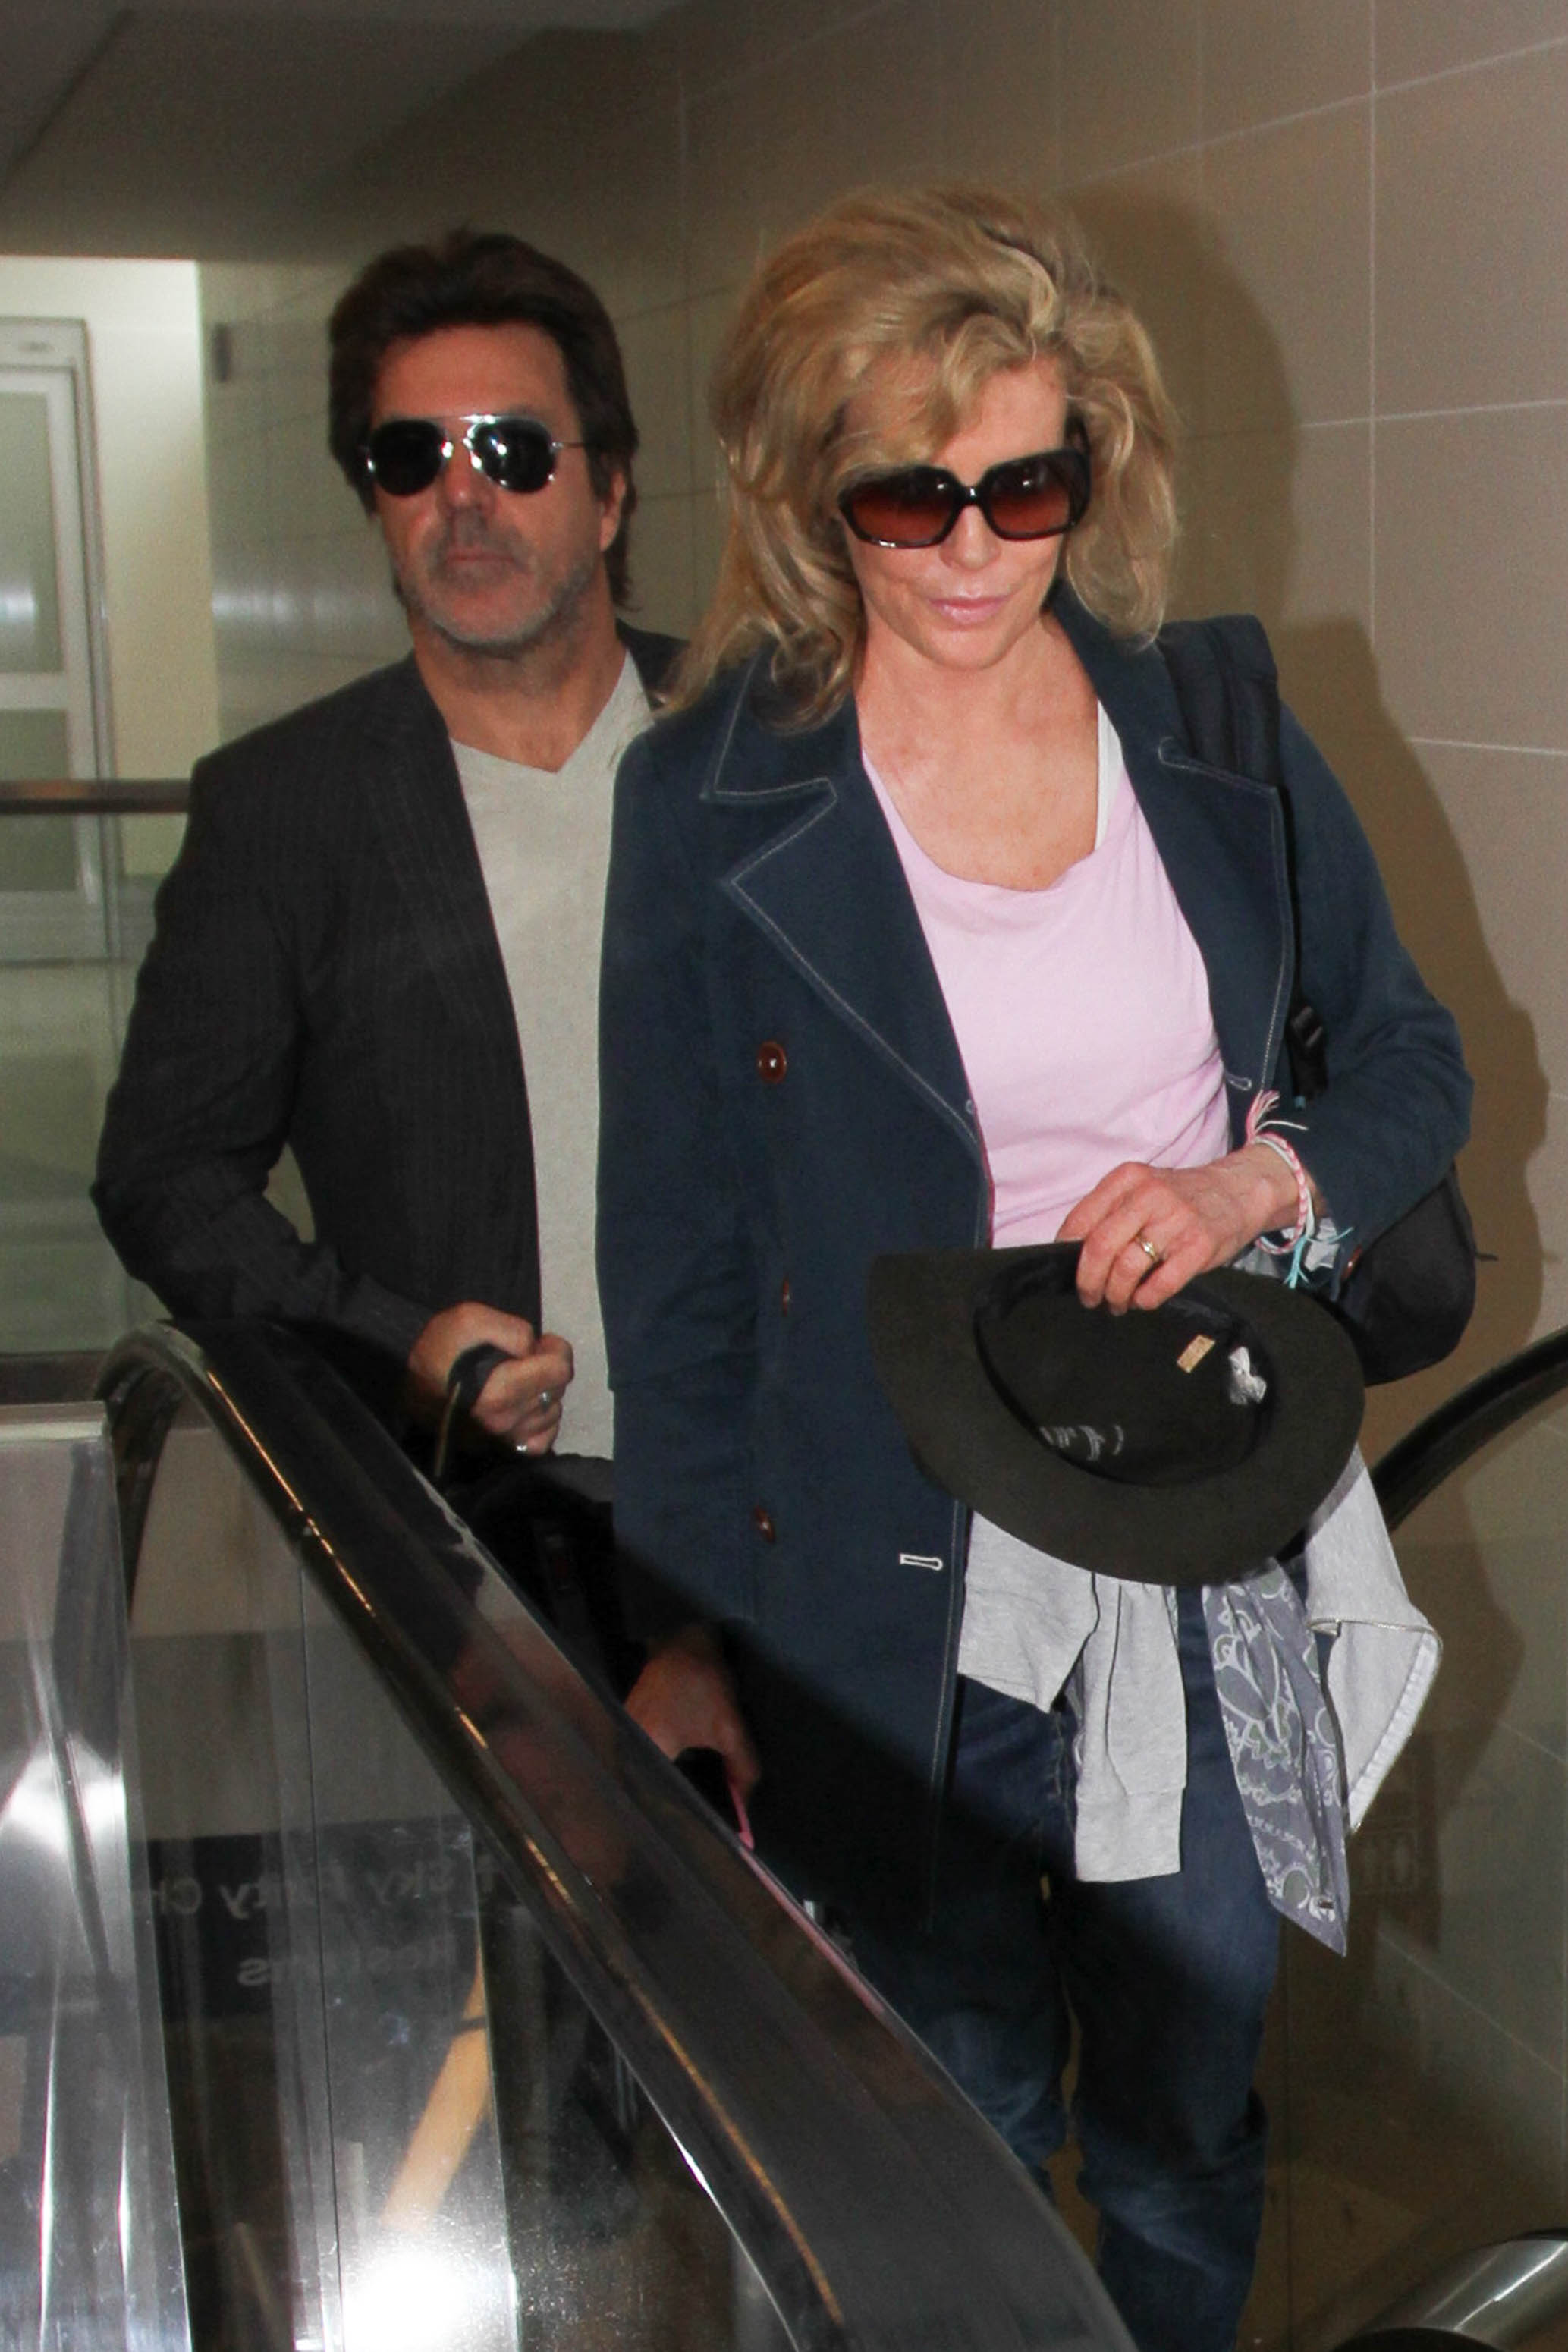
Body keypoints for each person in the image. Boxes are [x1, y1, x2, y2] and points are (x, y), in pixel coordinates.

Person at [595, 187, 1471, 2352]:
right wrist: (681, 1630)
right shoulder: (712, 799)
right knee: (949, 2104)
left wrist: (1248, 1185)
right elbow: (681, 1261)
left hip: (1202, 1527)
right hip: (880, 1576)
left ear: (1094, 466)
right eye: (913, 494)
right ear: (812, 494)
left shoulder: (1217, 726)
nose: (978, 545)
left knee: (1186, 2105)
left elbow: (1415, 1063)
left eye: (1028, 482)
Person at [95, 229, 679, 1474]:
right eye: (412, 456)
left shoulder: (765, 742)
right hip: (484, 1519)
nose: (461, 496)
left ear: (613, 487)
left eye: (513, 452)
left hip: (791, 1506)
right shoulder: (283, 811)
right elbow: (168, 1174)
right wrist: (391, 1342)